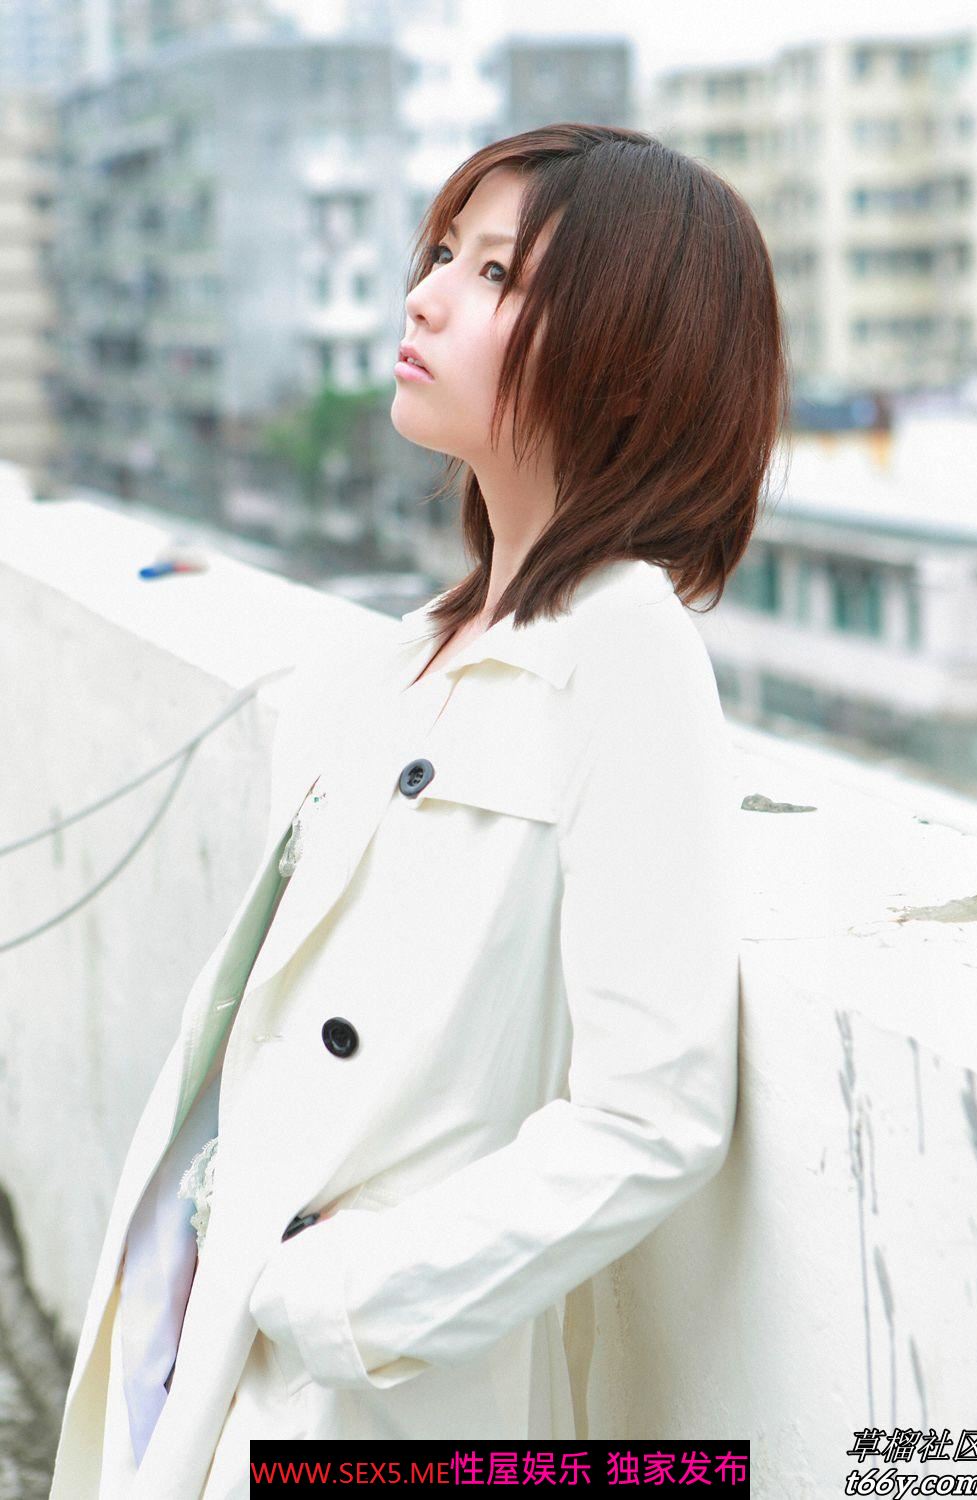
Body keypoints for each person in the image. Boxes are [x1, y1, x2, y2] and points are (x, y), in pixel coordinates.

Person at [50, 121, 789, 1496]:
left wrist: (348, 1298)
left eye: (496, 274)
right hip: (214, 1335)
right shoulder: (390, 661)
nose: (426, 296)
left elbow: (656, 1114)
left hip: (378, 1394)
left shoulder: (622, 645)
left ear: (629, 356)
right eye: (441, 254)